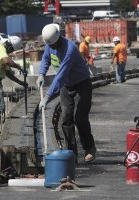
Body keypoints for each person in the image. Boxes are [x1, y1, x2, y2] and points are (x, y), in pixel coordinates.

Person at [36, 24, 97, 163]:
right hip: (67, 86)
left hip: (82, 84)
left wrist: (47, 96)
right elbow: (46, 59)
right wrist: (41, 74)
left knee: (80, 118)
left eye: (54, 44)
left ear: (59, 39)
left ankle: (89, 148)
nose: (52, 47)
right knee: (66, 119)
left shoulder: (70, 49)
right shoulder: (50, 45)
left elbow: (61, 76)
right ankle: (71, 154)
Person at [0, 36, 28, 136]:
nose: (11, 52)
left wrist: (20, 82)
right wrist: (20, 67)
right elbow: (7, 61)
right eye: (12, 49)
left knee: (0, 107)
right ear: (9, 46)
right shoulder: (0, 49)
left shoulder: (3, 53)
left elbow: (8, 72)